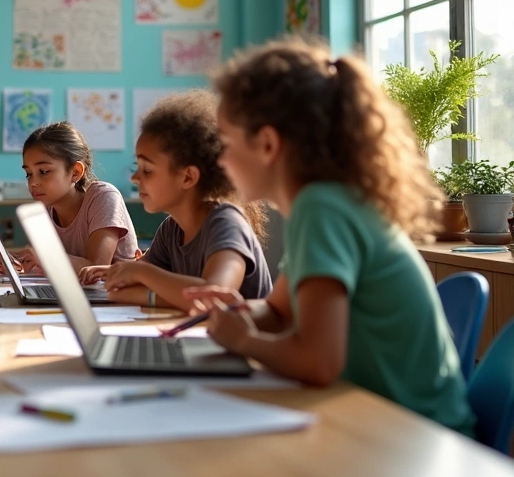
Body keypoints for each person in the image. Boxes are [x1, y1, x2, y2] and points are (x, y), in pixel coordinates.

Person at [188, 39, 474, 435]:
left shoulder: (321, 208)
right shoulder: (328, 203)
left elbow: (319, 363)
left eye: (227, 143)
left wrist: (244, 343)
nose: (221, 160)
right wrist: (237, 315)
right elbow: (278, 312)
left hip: (415, 436)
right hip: (385, 422)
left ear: (268, 144)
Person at [78, 91, 271, 310]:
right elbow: (121, 291)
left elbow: (214, 296)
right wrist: (125, 277)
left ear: (188, 177)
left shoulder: (226, 224)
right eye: (136, 167)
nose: (135, 178)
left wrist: (142, 274)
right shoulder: (171, 229)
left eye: (147, 170)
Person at [0, 122, 138, 275]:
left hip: (116, 296)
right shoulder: (45, 208)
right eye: (28, 173)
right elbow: (47, 267)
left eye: (43, 171)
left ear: (75, 172)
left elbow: (96, 267)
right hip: (77, 295)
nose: (33, 182)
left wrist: (45, 257)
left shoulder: (103, 197)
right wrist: (19, 265)